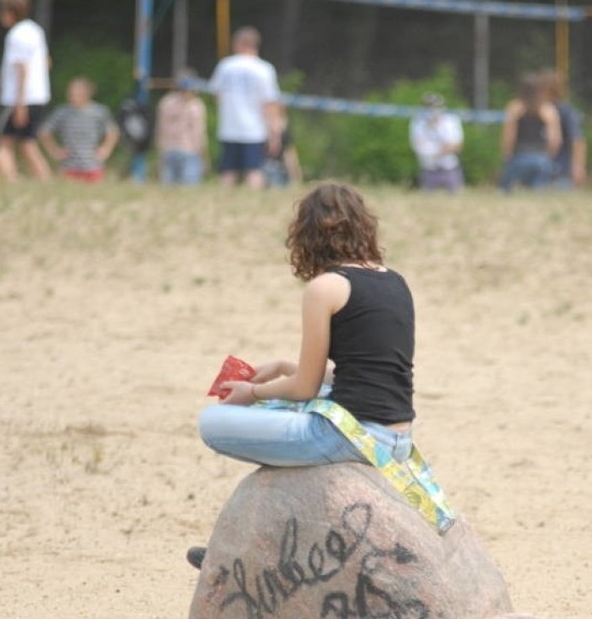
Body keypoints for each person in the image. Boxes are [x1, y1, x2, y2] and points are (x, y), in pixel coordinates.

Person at [191, 182, 453, 567]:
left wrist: (253, 391)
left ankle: (244, 557)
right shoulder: (395, 282)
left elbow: (304, 388)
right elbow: (362, 374)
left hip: (349, 436)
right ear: (364, 227)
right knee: (279, 426)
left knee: (211, 422)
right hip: (395, 437)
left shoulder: (325, 288)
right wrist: (281, 367)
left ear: (308, 235)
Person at [208, 26, 281, 189]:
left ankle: (220, 205)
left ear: (238, 44)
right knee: (254, 171)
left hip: (229, 127)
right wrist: (275, 133)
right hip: (253, 130)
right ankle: (254, 207)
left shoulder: (225, 65)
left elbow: (216, 95)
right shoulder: (264, 69)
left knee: (227, 172)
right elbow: (269, 103)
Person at [0, 0, 52, 182]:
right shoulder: (35, 29)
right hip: (38, 94)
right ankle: (44, 178)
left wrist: (19, 103)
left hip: (21, 98)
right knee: (27, 141)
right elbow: (46, 61)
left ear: (10, 13)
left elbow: (22, 69)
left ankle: (11, 179)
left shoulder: (17, 35)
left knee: (4, 141)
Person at [38, 77, 120, 181]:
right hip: (69, 167)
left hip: (93, 166)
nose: (72, 96)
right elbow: (44, 132)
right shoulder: (62, 112)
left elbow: (113, 131)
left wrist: (106, 149)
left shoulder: (99, 112)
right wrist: (54, 150)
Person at [498, 74, 562, 191]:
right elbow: (554, 140)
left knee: (505, 190)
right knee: (538, 193)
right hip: (542, 159)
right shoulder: (548, 110)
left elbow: (509, 137)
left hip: (519, 157)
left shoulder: (515, 108)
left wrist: (507, 156)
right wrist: (548, 157)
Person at [154, 69, 208, 185]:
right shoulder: (196, 106)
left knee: (168, 195)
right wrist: (204, 158)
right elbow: (199, 134)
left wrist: (159, 155)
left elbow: (160, 130)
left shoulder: (166, 102)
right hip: (189, 151)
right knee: (188, 195)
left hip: (168, 150)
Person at [539, 69, 586, 187]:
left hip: (560, 171)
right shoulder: (533, 110)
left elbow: (578, 140)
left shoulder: (566, 112)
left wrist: (577, 166)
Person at [409, 93, 465, 193]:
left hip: (450, 168)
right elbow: (418, 149)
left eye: (435, 106)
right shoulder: (418, 123)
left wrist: (431, 150)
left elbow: (457, 146)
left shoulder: (451, 121)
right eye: (429, 107)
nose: (432, 110)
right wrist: (444, 149)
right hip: (428, 169)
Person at [262, 109, 302, 187]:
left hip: (279, 175)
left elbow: (290, 158)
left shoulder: (284, 136)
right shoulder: (259, 136)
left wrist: (296, 178)